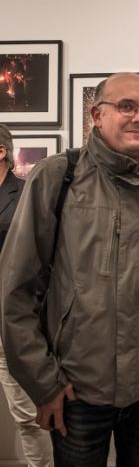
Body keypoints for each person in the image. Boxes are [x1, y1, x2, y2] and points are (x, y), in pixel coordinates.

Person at [0, 73, 139, 466]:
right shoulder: (57, 176)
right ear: (96, 115)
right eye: (126, 106)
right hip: (75, 387)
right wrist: (43, 382)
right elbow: (17, 288)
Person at [0, 124, 53, 466]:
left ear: (1, 152)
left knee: (28, 416)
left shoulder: (24, 195)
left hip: (10, 322)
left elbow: (42, 261)